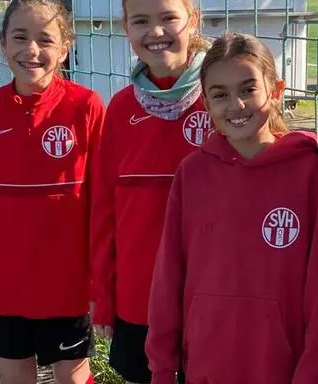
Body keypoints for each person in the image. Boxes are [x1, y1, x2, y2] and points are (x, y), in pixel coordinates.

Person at [145, 32, 318, 384]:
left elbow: (317, 289)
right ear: (205, 102)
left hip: (280, 365)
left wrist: (312, 370)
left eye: (249, 90)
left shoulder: (308, 173)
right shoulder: (193, 174)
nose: (236, 105)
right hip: (205, 362)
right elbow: (169, 275)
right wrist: (161, 364)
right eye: (221, 95)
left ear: (276, 92)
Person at [0, 0, 105, 383]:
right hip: (5, 290)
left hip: (69, 289)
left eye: (46, 39)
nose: (32, 50)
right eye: (20, 37)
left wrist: (100, 284)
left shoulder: (86, 107)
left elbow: (103, 207)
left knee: (73, 379)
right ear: (3, 42)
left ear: (65, 47)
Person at [87, 0, 211, 382]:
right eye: (140, 21)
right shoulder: (122, 108)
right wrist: (105, 296)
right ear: (126, 27)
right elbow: (105, 209)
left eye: (168, 18)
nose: (155, 32)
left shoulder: (222, 97)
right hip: (139, 299)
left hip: (209, 296)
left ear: (193, 20)